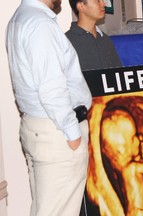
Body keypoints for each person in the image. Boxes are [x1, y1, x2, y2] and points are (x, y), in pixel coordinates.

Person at [5, 0, 92, 215]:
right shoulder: (40, 24)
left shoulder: (21, 18)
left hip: (41, 127)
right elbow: (51, 88)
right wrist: (73, 134)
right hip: (57, 133)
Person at [66, 0, 122, 71]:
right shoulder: (67, 42)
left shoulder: (105, 39)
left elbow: (118, 74)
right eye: (98, 1)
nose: (103, 4)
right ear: (81, 6)